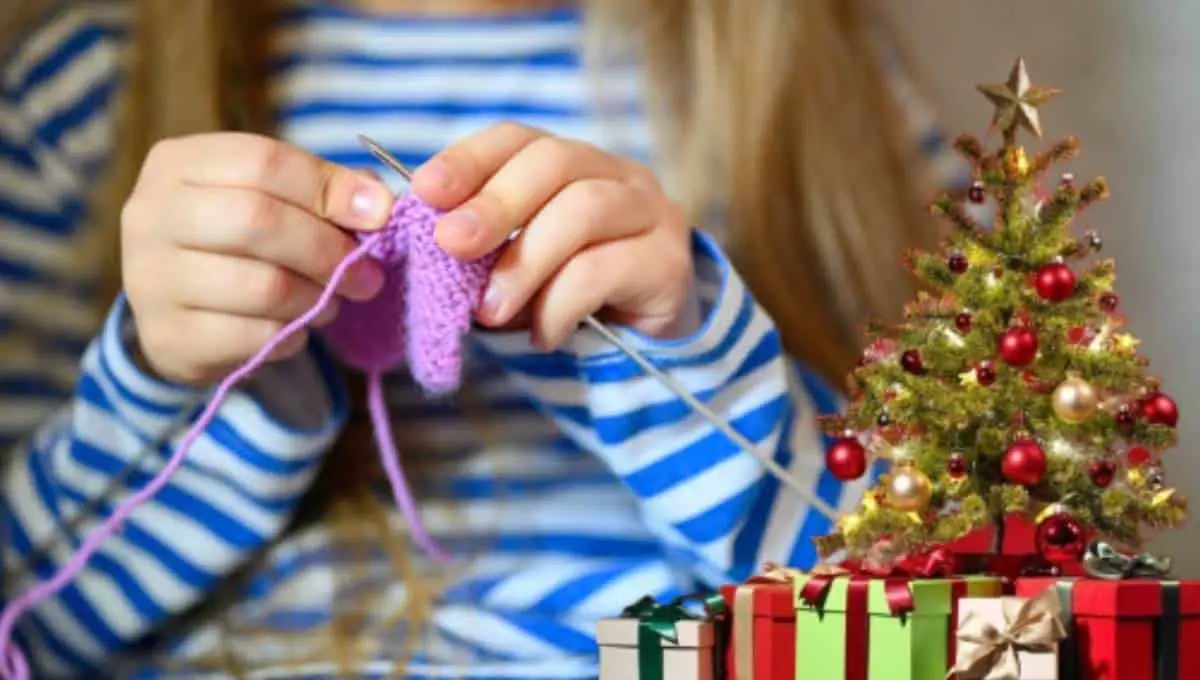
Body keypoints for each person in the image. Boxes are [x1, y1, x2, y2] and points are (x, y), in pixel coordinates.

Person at [0, 0, 965, 677]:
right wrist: (188, 382)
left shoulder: (821, 89)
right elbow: (26, 628)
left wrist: (693, 357)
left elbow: (943, 628)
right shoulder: (85, 89)